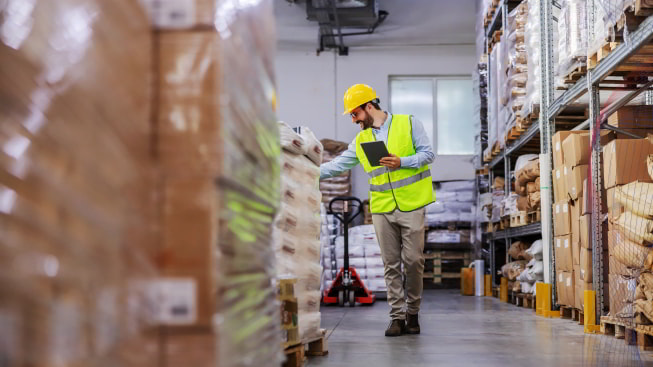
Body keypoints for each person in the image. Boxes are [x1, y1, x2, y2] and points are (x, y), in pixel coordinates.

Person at [320, 83, 435, 337]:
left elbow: (428, 155)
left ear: (369, 107)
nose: (353, 119)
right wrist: (308, 171)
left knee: (414, 261)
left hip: (412, 204)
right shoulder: (361, 139)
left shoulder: (409, 123)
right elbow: (338, 165)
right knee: (390, 264)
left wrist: (402, 162)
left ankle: (413, 312)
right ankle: (397, 317)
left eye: (355, 113)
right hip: (382, 208)